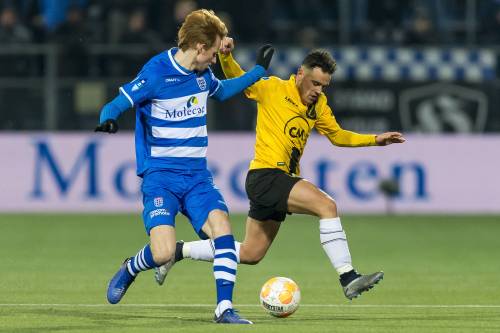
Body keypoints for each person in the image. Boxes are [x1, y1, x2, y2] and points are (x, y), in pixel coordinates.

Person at [155, 37, 406, 300]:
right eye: (315, 83)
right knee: (327, 206)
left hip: (279, 180)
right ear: (300, 74)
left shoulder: (318, 106)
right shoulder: (273, 88)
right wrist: (227, 58)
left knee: (251, 253)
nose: (319, 90)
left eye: (324, 85)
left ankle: (177, 251)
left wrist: (375, 140)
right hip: (265, 176)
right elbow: (241, 79)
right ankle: (348, 277)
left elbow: (338, 136)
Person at [95, 11, 274, 324]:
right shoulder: (156, 72)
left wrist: (259, 70)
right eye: (215, 52)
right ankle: (132, 267)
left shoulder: (203, 75)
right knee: (162, 253)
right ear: (200, 47)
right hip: (160, 179)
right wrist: (108, 119)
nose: (217, 59)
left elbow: (225, 91)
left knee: (223, 233)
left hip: (197, 179)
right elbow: (117, 102)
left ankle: (224, 309)